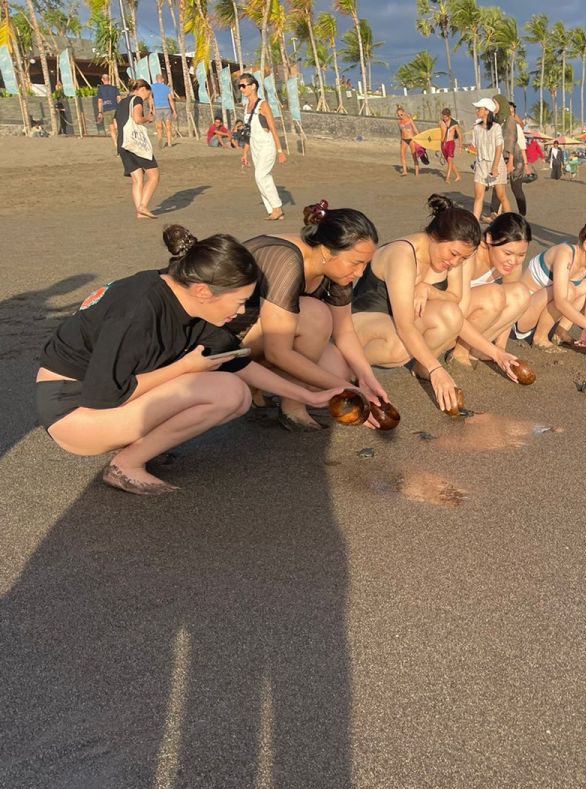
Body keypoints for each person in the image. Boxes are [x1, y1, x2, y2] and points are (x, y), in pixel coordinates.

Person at [36, 225, 342, 495]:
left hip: (104, 399)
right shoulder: (139, 310)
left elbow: (238, 363)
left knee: (232, 389)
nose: (239, 313)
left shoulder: (190, 303)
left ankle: (137, 448)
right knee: (227, 392)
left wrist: (310, 395)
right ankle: (125, 466)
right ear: (203, 291)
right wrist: (183, 369)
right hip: (73, 412)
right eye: (238, 302)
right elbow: (104, 395)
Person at [228, 200, 386, 431]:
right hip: (227, 337)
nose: (360, 272)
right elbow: (277, 351)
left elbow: (344, 331)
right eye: (356, 262)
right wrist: (350, 391)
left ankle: (261, 389)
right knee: (316, 315)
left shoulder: (337, 271)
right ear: (326, 251)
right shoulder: (286, 259)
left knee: (339, 370)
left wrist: (366, 378)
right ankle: (288, 403)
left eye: (365, 264)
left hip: (263, 334)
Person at [351, 195, 487, 412]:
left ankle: (421, 366)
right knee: (400, 345)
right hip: (361, 320)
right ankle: (346, 368)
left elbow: (454, 297)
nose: (454, 263)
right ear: (437, 236)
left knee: (450, 314)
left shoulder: (449, 255)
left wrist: (428, 289)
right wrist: (437, 370)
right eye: (453, 254)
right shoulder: (403, 254)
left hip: (393, 322)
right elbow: (405, 327)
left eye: (462, 259)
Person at [438, 212, 532, 370]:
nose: (513, 260)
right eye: (507, 253)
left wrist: (500, 348)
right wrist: (494, 352)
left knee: (521, 293)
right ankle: (460, 353)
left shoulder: (513, 263)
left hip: (470, 326)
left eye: (521, 254)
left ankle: (477, 350)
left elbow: (513, 310)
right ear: (489, 239)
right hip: (445, 324)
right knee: (494, 295)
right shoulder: (471, 255)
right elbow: (458, 311)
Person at [517, 205, 586, 350]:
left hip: (543, 316)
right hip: (521, 317)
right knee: (569, 290)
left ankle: (560, 332)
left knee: (583, 287)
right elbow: (560, 301)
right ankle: (540, 338)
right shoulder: (565, 253)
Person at [238, 74, 287, 221]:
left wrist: (280, 151)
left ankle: (277, 208)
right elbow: (248, 132)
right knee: (260, 178)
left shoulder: (263, 105)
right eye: (239, 86)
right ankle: (272, 209)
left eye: (244, 85)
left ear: (253, 86)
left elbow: (273, 128)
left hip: (267, 144)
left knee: (261, 175)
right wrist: (245, 153)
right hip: (254, 145)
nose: (241, 89)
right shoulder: (246, 107)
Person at [115, 79, 160, 221]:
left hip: (123, 143)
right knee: (154, 175)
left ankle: (140, 213)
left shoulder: (122, 102)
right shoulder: (137, 100)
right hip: (136, 144)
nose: (148, 97)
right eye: (148, 93)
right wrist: (148, 118)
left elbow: (116, 124)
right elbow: (137, 118)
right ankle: (143, 206)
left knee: (137, 179)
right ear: (142, 89)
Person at [488, 99, 528, 218]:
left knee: (516, 187)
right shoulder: (498, 124)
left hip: (516, 159)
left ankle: (522, 213)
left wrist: (525, 164)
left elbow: (521, 146)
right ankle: (494, 212)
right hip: (502, 157)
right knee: (498, 185)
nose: (510, 113)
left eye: (512, 112)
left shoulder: (515, 126)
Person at [470, 98, 509, 220]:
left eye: (479, 108)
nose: (477, 111)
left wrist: (495, 167)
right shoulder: (476, 128)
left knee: (501, 195)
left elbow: (499, 148)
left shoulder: (496, 127)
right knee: (478, 196)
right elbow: (474, 146)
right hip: (481, 165)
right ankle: (474, 226)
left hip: (496, 163)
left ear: (487, 111)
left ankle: (511, 222)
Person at [150, 73, 176, 147]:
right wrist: (174, 111)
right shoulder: (166, 88)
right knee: (168, 126)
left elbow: (151, 98)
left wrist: (151, 108)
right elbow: (170, 100)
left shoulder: (152, 87)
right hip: (166, 108)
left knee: (159, 127)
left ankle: (160, 143)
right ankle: (170, 143)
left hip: (158, 108)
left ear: (156, 79)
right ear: (162, 80)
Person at [438, 107, 462, 182]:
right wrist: (437, 146)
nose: (444, 118)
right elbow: (437, 133)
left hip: (451, 143)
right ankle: (458, 176)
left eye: (445, 117)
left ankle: (447, 178)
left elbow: (460, 135)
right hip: (443, 144)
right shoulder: (440, 122)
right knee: (450, 162)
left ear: (449, 116)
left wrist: (460, 147)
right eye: (443, 116)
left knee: (449, 160)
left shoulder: (454, 124)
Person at [396, 106, 420, 177]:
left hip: (411, 139)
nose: (400, 116)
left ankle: (417, 173)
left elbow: (415, 129)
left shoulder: (409, 120)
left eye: (401, 114)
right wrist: (401, 139)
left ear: (404, 113)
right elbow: (401, 132)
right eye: (398, 115)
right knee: (402, 154)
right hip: (404, 139)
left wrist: (419, 138)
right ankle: (405, 171)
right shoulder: (399, 122)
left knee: (414, 155)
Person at [96, 73, 119, 144]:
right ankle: (120, 140)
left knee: (111, 128)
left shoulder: (100, 89)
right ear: (109, 79)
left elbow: (100, 101)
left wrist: (100, 112)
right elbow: (119, 99)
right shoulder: (114, 88)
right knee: (117, 126)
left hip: (106, 110)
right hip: (115, 108)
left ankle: (116, 145)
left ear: (102, 80)